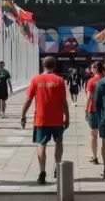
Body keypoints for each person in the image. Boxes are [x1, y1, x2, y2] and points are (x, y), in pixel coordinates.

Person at [20, 56, 70, 184]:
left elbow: (28, 99)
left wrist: (23, 115)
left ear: (43, 65)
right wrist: (67, 117)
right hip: (57, 119)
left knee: (41, 144)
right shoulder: (59, 80)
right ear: (54, 66)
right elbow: (63, 101)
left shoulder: (36, 79)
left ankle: (42, 172)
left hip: (41, 119)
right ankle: (58, 168)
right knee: (58, 143)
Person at [85, 61, 105, 164]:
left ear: (95, 69)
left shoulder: (91, 81)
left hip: (93, 110)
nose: (91, 70)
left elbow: (88, 97)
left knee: (93, 134)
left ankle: (94, 156)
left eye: (92, 68)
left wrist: (85, 109)